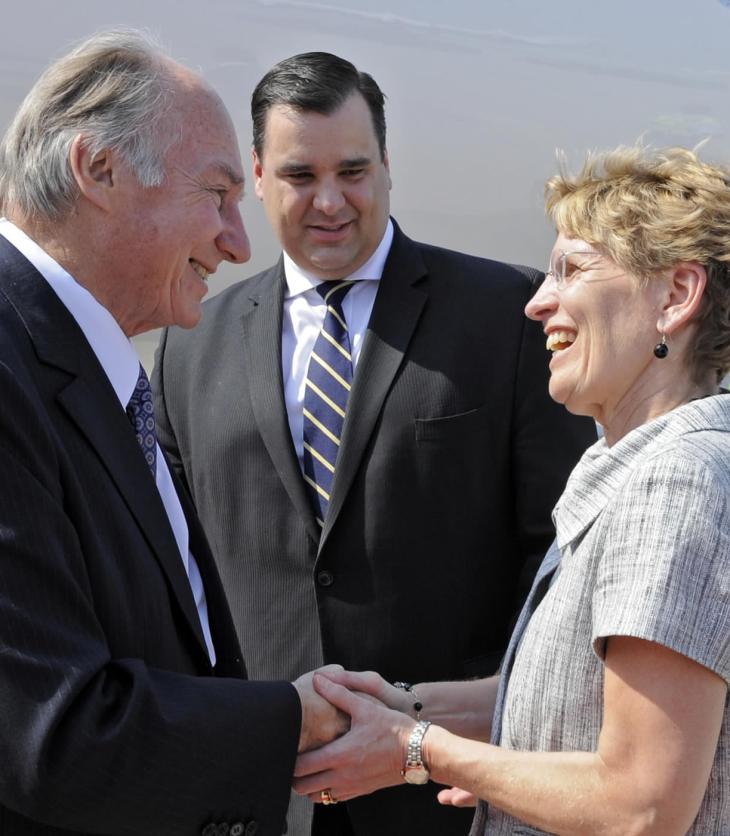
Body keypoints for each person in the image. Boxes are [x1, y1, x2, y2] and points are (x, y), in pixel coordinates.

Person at [152, 51, 596, 835]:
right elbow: (180, 578)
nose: (330, 202)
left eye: (354, 171)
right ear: (257, 175)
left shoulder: (506, 316)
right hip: (261, 800)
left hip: (452, 792)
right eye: (299, 176)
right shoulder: (191, 346)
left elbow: (560, 562)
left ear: (388, 165)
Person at [292, 145, 730, 835]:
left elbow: (641, 801)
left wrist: (416, 752)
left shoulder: (674, 483)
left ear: (676, 295)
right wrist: (403, 706)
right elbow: (569, 703)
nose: (537, 302)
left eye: (572, 270)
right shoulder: (636, 470)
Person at [0, 31, 346, 836]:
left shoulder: (87, 366)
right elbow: (53, 731)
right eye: (218, 195)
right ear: (99, 171)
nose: (239, 242)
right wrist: (287, 719)